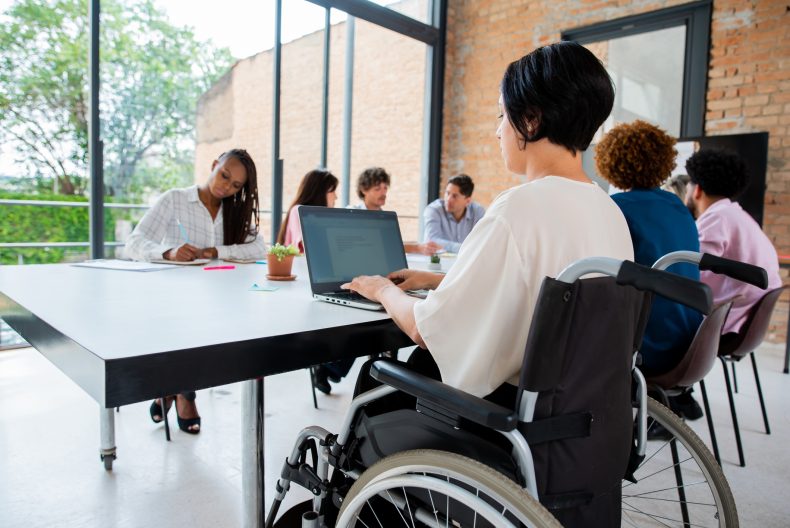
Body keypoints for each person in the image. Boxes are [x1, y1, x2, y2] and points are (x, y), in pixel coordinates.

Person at [342, 41, 633, 399]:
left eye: (502, 115)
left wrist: (381, 289)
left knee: (375, 378)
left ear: (530, 119)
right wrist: (440, 280)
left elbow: (426, 329)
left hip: (501, 417)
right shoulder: (609, 212)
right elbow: (543, 295)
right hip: (576, 416)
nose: (498, 131)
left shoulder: (518, 209)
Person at [125, 148, 264, 434]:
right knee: (188, 326)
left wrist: (216, 251)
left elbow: (260, 247)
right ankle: (186, 395)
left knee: (225, 327)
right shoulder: (175, 199)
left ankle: (169, 390)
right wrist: (169, 252)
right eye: (224, 175)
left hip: (217, 297)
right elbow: (135, 242)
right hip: (171, 298)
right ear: (214, 165)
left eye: (235, 185)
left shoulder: (234, 212)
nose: (226, 186)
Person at [595, 120, 704, 421]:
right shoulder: (676, 205)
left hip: (650, 346)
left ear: (610, 162)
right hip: (689, 339)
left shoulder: (616, 208)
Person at [685, 149, 782, 339]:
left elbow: (691, 273)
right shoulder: (737, 215)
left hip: (726, 325)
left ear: (697, 190)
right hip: (745, 321)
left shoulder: (717, 219)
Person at [351, 166, 442, 256]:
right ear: (363, 190)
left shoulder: (384, 218)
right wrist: (417, 248)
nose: (383, 193)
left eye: (385, 188)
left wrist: (420, 247)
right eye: (377, 189)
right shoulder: (352, 213)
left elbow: (392, 244)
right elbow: (378, 245)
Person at [276, 168, 339, 253]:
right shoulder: (298, 211)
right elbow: (307, 246)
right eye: (333, 191)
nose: (336, 197)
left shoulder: (324, 217)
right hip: (299, 264)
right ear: (320, 192)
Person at [422, 174, 486, 253]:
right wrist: (465, 248)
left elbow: (482, 241)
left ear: (468, 201)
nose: (448, 199)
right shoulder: (433, 210)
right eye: (447, 193)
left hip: (466, 261)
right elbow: (432, 240)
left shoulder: (478, 212)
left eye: (455, 196)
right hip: (438, 261)